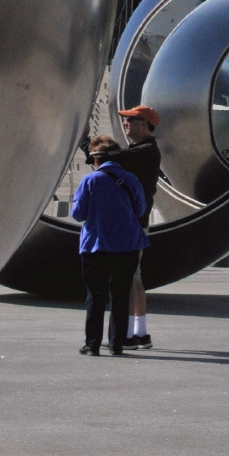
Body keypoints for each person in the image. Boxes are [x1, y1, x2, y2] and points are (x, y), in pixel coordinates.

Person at [70, 136, 149, 356]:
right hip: (127, 245)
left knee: (95, 296)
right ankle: (117, 343)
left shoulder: (89, 181)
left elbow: (77, 214)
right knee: (121, 296)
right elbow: (140, 209)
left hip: (96, 246)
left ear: (95, 159)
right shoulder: (131, 179)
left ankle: (92, 344)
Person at [110, 105, 163, 349]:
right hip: (133, 222)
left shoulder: (144, 152)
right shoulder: (141, 150)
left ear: (144, 124)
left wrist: (85, 141)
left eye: (131, 120)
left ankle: (132, 334)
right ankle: (138, 332)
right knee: (134, 278)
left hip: (131, 224)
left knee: (129, 278)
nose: (125, 124)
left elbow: (108, 160)